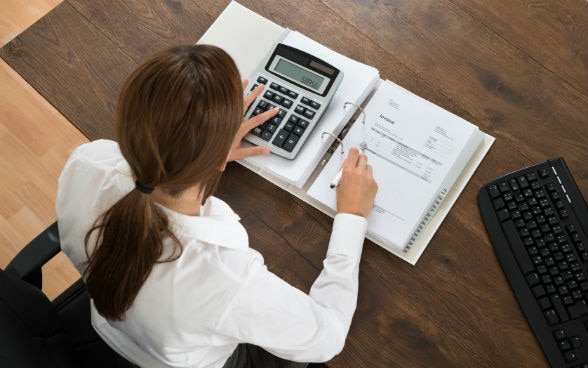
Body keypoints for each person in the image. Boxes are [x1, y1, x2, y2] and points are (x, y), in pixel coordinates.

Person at [56, 44, 378, 368]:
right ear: (219, 156)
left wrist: (207, 150)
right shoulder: (227, 282)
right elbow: (327, 339)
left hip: (112, 330)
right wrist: (352, 217)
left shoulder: (87, 162)